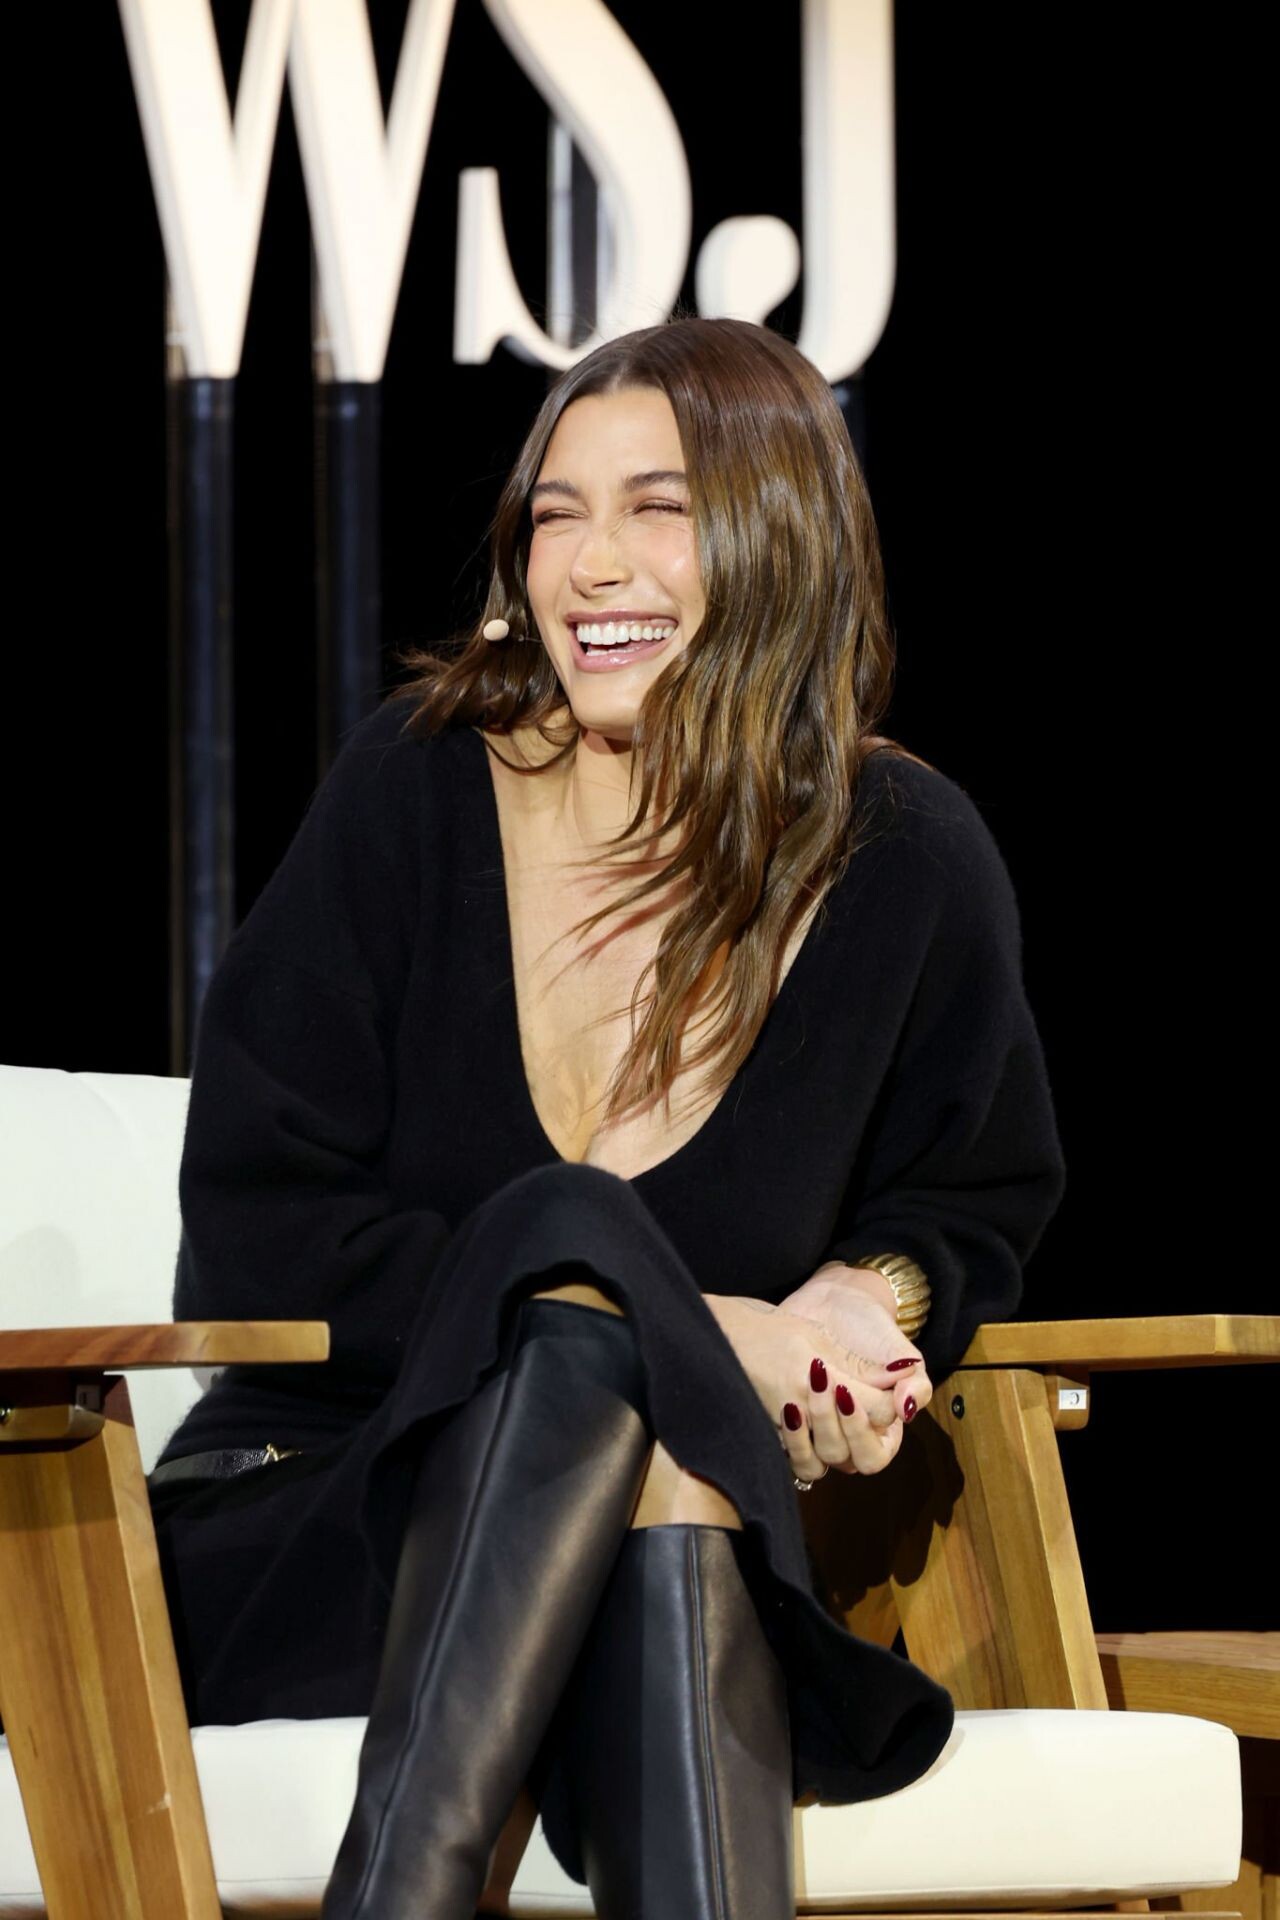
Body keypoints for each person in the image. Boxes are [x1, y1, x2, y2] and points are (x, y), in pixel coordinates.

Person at [148, 315, 1066, 1919]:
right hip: (321, 1513)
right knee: (574, 1243)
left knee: (665, 1473)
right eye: (556, 514)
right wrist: (699, 1331)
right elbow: (256, 1228)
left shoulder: (907, 861)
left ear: (779, 538)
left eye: (659, 507)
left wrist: (862, 1299)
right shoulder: (414, 790)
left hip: (654, 1531)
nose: (590, 563)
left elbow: (965, 1199)